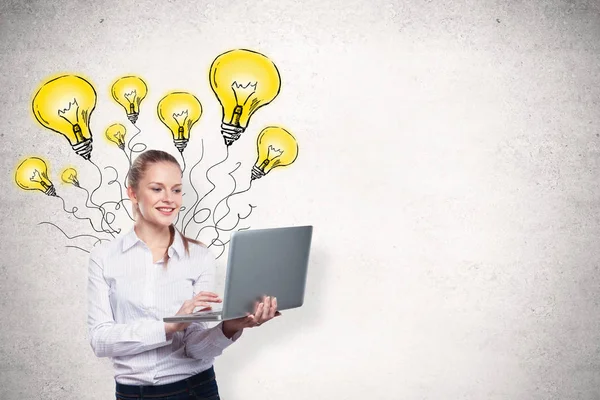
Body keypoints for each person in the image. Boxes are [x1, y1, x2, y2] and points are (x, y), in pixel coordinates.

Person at [87, 149, 280, 400]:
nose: (169, 199)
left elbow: (196, 349)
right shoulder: (104, 257)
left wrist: (230, 327)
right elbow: (100, 341)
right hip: (131, 394)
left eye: (176, 190)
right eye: (157, 189)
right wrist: (169, 326)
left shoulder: (199, 257)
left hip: (194, 390)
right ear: (133, 193)